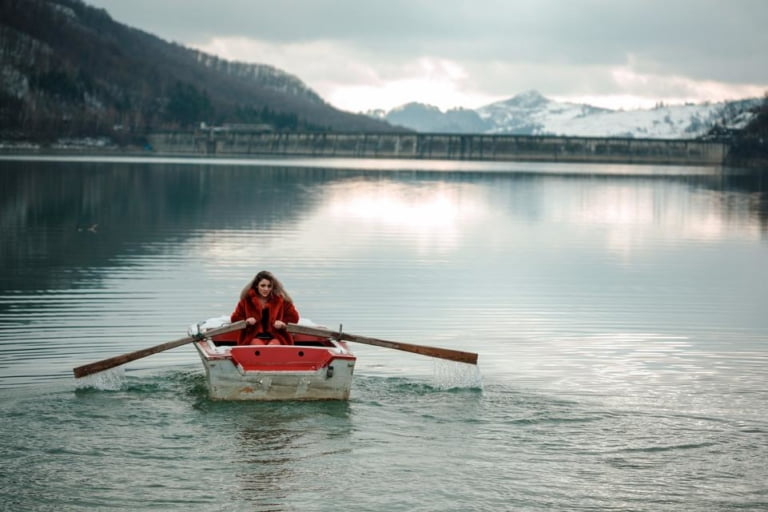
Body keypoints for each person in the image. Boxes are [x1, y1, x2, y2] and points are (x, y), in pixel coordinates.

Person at [230, 270, 299, 345]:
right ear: (256, 285)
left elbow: (294, 318)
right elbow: (235, 319)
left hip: (277, 336)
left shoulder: (282, 300)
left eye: (269, 286)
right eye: (263, 285)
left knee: (272, 347)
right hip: (253, 336)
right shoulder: (246, 301)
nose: (266, 289)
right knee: (258, 346)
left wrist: (283, 324)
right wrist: (246, 321)